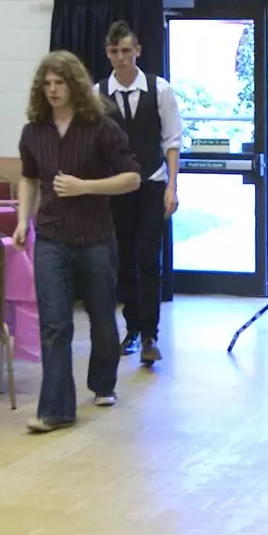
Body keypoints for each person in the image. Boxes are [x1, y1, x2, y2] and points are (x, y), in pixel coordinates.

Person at [15, 51, 143, 432]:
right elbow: (29, 179)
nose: (53, 91)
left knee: (102, 318)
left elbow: (132, 178)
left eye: (60, 83)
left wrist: (84, 186)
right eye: (47, 84)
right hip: (51, 237)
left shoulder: (100, 127)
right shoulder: (33, 132)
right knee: (55, 324)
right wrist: (23, 221)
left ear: (74, 85)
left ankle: (103, 382)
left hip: (95, 238)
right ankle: (56, 409)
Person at [97, 21, 182, 363]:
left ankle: (150, 335)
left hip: (152, 183)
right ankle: (131, 329)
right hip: (117, 188)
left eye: (126, 51)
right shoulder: (97, 92)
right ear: (108, 53)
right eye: (114, 52)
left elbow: (172, 141)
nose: (121, 58)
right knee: (123, 260)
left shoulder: (160, 90)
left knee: (150, 258)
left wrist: (172, 187)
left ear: (138, 52)